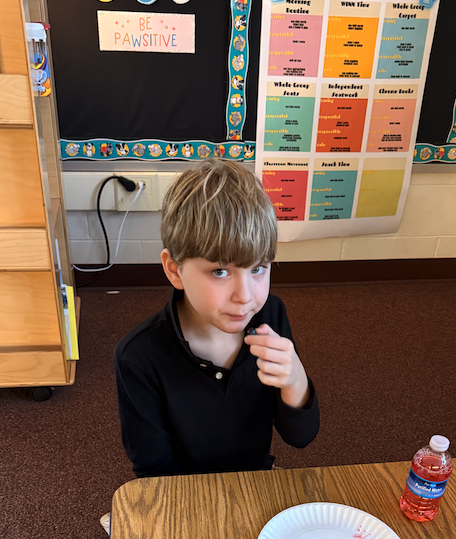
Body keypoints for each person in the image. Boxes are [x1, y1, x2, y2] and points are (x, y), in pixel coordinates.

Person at [111, 159, 319, 505]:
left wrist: (296, 381)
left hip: (254, 483)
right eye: (220, 272)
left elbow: (300, 437)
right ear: (174, 270)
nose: (245, 296)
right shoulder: (139, 356)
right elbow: (154, 470)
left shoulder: (270, 315)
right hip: (184, 498)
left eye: (258, 268)